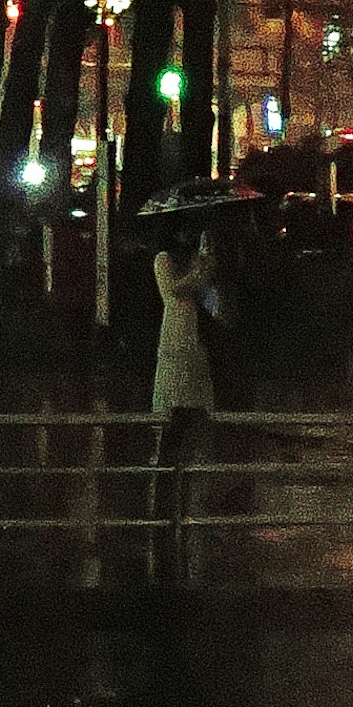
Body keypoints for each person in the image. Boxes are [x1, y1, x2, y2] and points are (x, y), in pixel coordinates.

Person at [150, 219, 221, 538]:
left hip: (195, 337)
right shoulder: (163, 259)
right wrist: (197, 273)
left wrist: (207, 270)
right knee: (172, 416)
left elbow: (207, 296)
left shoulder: (196, 259)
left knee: (193, 414)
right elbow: (172, 290)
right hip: (175, 334)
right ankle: (163, 503)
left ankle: (185, 500)